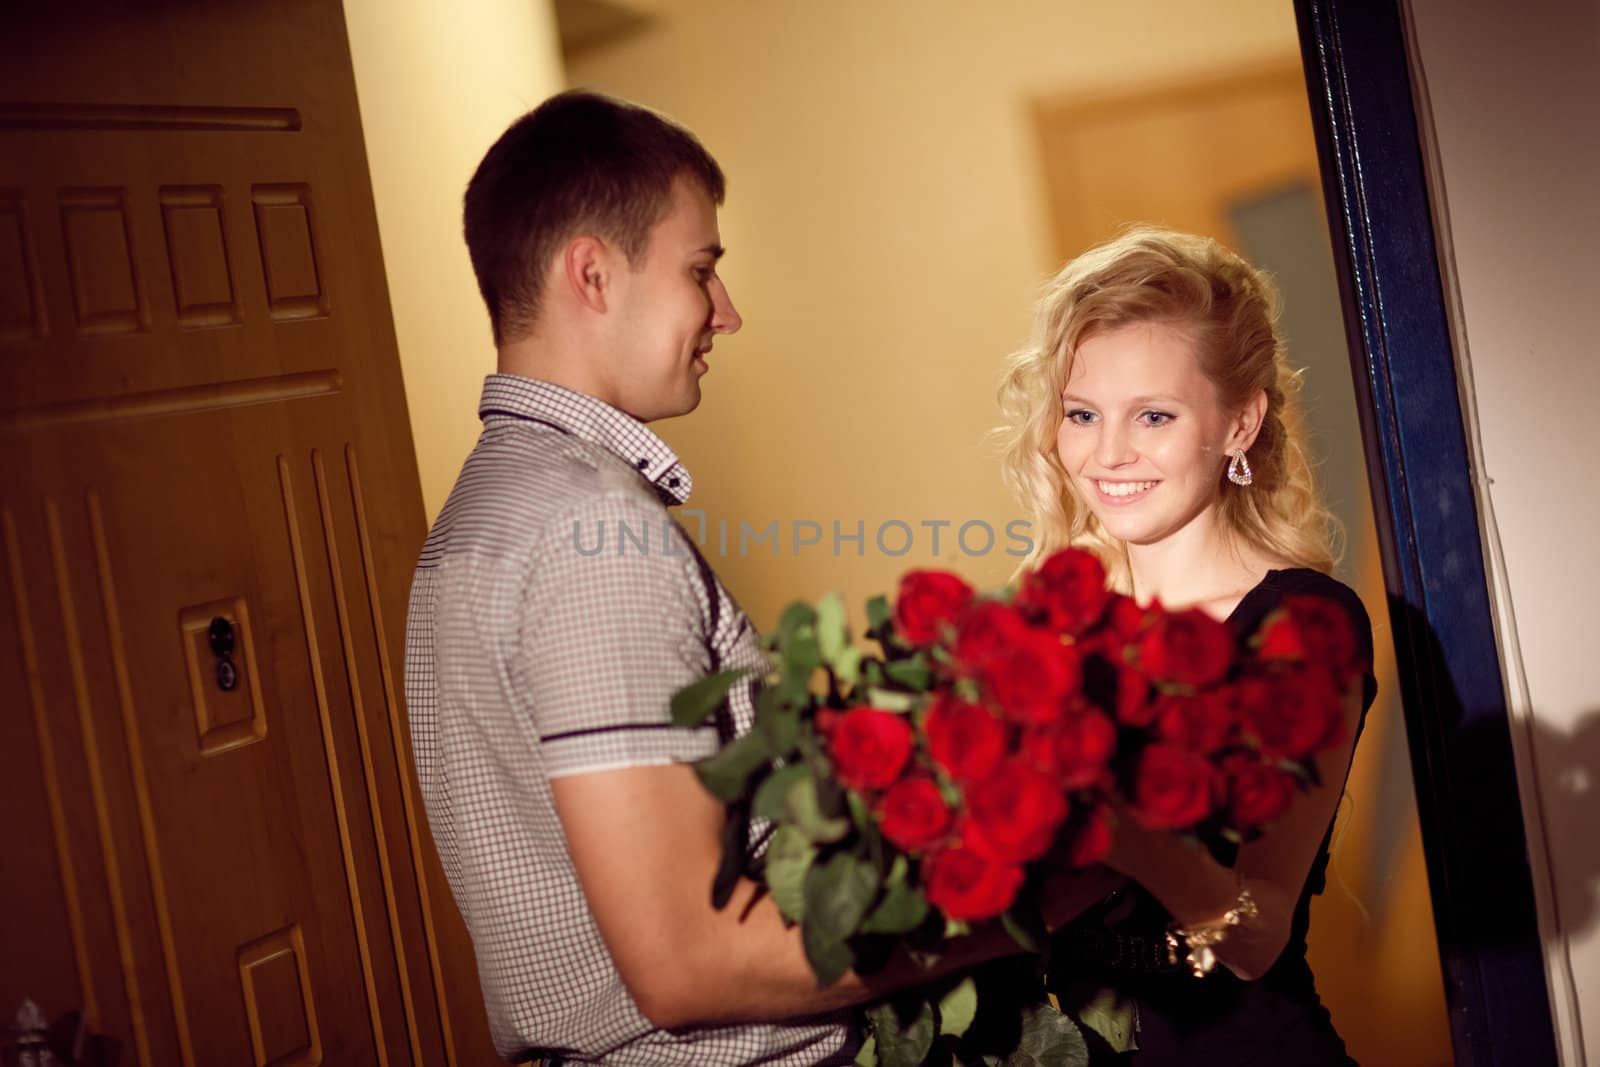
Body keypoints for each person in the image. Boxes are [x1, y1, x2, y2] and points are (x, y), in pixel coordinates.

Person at [405, 90, 1111, 1066]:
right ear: (593, 273)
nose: (725, 314)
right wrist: (1026, 906)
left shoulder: (484, 509)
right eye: (702, 270)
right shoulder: (586, 532)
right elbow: (686, 964)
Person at [997, 227, 1375, 1064]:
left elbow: (1257, 935)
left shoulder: (1306, 625)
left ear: (1239, 422)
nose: (1109, 454)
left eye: (1154, 416)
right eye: (1083, 414)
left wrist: (1133, 836)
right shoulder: (1051, 624)